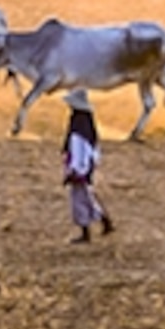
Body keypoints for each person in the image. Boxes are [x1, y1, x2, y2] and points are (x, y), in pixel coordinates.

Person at [61, 99, 115, 242]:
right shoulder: (87, 128)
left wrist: (75, 171)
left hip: (80, 170)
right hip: (85, 169)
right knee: (87, 197)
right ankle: (104, 221)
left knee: (80, 200)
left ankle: (88, 232)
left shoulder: (78, 131)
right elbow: (94, 152)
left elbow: (78, 153)